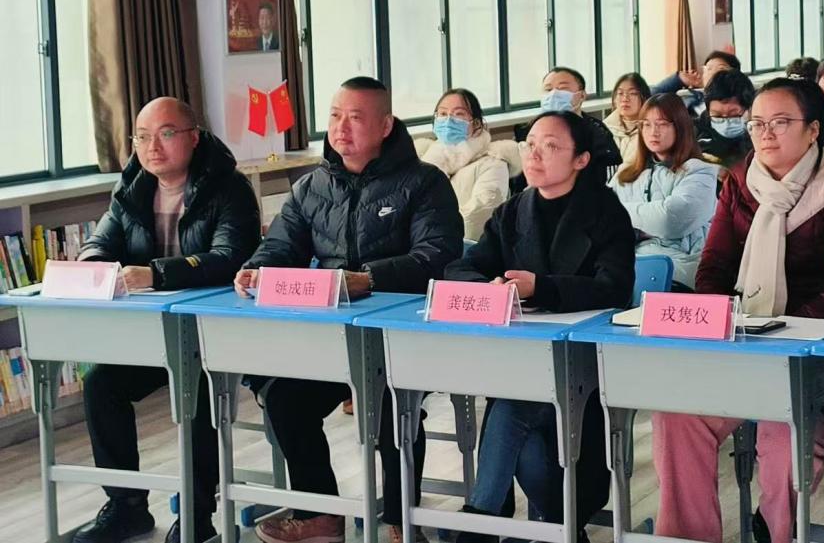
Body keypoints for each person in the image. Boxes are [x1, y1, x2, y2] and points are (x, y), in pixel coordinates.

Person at [235, 77, 463, 543]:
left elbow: (436, 256)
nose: (341, 128)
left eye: (355, 118)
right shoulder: (310, 187)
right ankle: (320, 513)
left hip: (404, 337)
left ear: (386, 125)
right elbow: (281, 247)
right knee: (285, 399)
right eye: (335, 116)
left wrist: (370, 278)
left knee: (389, 406)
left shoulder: (424, 183)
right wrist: (255, 270)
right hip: (331, 337)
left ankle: (401, 520)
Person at [654, 79, 824, 543]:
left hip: (814, 357)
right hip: (743, 342)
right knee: (677, 415)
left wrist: (781, 332)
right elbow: (714, 266)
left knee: (786, 438)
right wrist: (724, 322)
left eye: (780, 122)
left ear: (813, 130)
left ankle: (775, 531)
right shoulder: (741, 181)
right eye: (757, 123)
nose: (765, 134)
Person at [73, 98, 260, 543]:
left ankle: (198, 516)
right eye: (142, 137)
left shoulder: (228, 188)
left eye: (166, 134)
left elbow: (230, 257)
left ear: (193, 138)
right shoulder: (131, 188)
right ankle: (126, 506)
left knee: (196, 392)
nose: (152, 146)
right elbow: (100, 242)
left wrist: (156, 273)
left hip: (215, 337)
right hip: (153, 334)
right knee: (100, 383)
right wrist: (93, 266)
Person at [446, 111, 634, 536]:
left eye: (550, 146)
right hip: (521, 357)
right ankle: (555, 527)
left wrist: (542, 288)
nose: (534, 154)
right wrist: (489, 287)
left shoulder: (605, 211)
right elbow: (462, 267)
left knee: (512, 405)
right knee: (520, 420)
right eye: (530, 144)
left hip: (583, 365)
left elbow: (614, 288)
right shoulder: (514, 210)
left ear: (581, 159)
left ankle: (480, 525)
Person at [610, 94, 719, 288]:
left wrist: (620, 212)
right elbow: (601, 218)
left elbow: (670, 220)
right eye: (646, 125)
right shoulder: (626, 173)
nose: (653, 132)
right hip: (631, 264)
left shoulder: (700, 171)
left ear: (680, 127)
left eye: (662, 124)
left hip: (679, 266)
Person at [415, 88, 519, 242]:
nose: (448, 120)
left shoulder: (493, 163)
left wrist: (427, 232)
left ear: (476, 123)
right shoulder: (423, 158)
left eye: (458, 114)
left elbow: (478, 218)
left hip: (462, 247)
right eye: (442, 113)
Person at [514, 66, 622, 184]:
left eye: (563, 89)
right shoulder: (528, 131)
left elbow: (608, 174)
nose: (554, 94)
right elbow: (518, 179)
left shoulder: (596, 131)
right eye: (548, 89)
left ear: (581, 95)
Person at [695, 69, 755, 173]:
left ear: (750, 110)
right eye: (717, 116)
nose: (726, 122)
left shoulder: (761, 137)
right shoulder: (693, 134)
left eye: (734, 115)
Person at [651, 50, 741, 117]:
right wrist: (678, 79)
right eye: (708, 69)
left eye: (721, 68)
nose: (713, 73)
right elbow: (649, 98)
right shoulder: (688, 98)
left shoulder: (740, 100)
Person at [604, 73, 652, 166]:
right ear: (614, 99)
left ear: (644, 98)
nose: (625, 99)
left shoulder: (652, 130)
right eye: (620, 93)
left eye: (632, 93)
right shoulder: (604, 129)